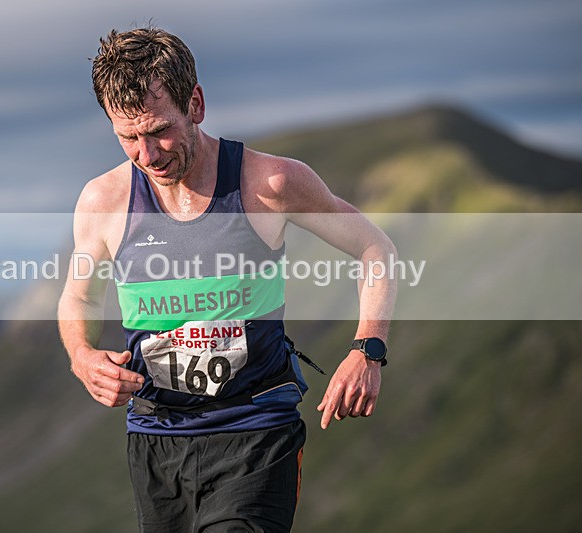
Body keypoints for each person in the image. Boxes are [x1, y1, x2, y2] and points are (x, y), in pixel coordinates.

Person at [58, 26, 397, 532]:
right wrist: (82, 357)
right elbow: (79, 298)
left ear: (195, 104)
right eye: (128, 137)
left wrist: (367, 349)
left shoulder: (270, 184)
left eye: (159, 131)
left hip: (256, 431)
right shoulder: (103, 201)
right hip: (156, 437)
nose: (147, 155)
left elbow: (375, 248)